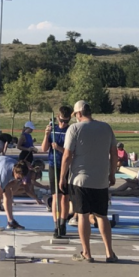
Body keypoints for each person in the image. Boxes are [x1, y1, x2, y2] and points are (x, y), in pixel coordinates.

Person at [59, 100, 118, 263]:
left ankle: (87, 252)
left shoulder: (75, 128)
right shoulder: (106, 128)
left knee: (82, 215)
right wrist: (112, 174)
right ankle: (109, 252)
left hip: (80, 179)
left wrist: (62, 176)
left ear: (78, 114)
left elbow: (67, 155)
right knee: (102, 216)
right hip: (100, 179)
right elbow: (114, 153)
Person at [42, 105, 73, 238]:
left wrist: (59, 148)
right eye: (61, 121)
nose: (63, 123)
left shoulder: (70, 131)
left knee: (65, 197)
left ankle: (63, 223)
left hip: (66, 165)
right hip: (53, 165)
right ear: (57, 118)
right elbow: (44, 149)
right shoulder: (53, 130)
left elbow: (71, 152)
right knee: (56, 197)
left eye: (66, 121)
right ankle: (56, 225)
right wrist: (46, 135)